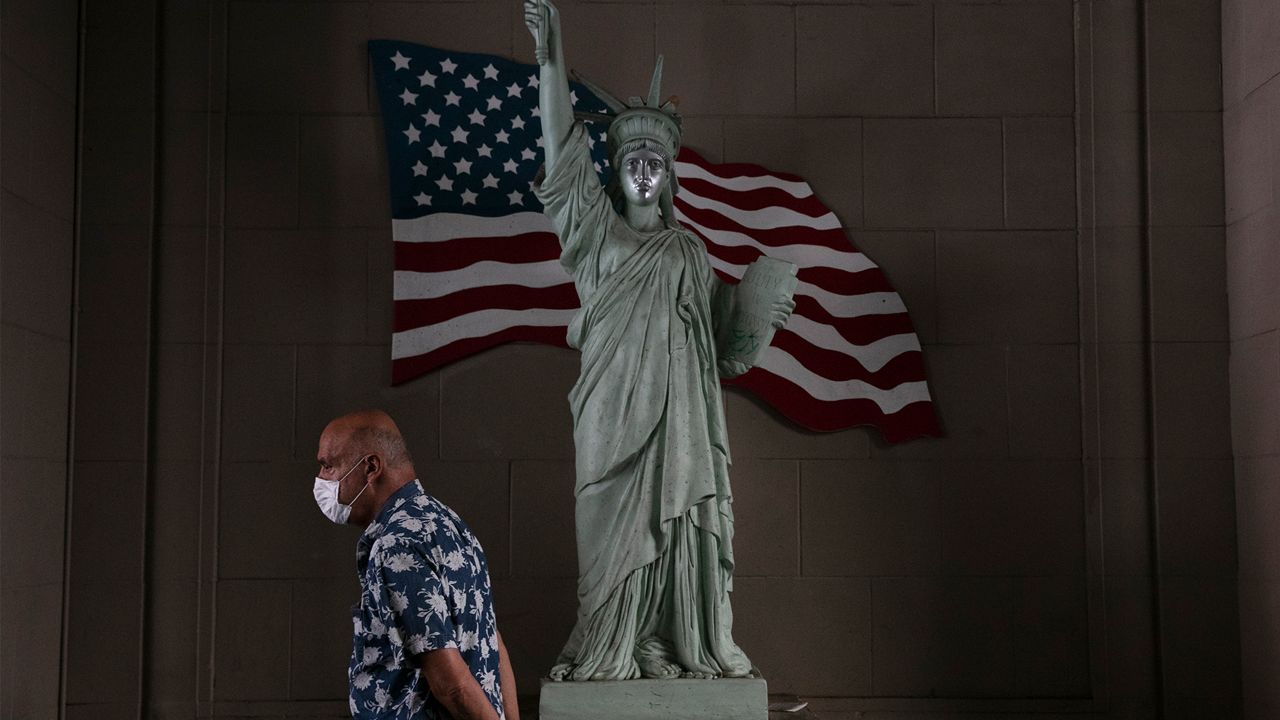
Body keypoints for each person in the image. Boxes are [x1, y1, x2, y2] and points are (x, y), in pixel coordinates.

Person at [523, 0, 794, 683]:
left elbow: (720, 349)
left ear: (669, 174)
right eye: (633, 158)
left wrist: (761, 307)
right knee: (606, 537)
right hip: (610, 416)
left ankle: (667, 642)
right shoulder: (596, 237)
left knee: (677, 528)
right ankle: (609, 642)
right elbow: (559, 148)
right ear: (616, 171)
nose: (644, 169)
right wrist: (549, 58)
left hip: (679, 418)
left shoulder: (689, 251)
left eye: (656, 160)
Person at [313, 410, 519, 719]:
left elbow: (452, 685)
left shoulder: (396, 544)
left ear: (370, 467)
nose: (321, 479)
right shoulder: (449, 524)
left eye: (328, 465)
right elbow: (493, 644)